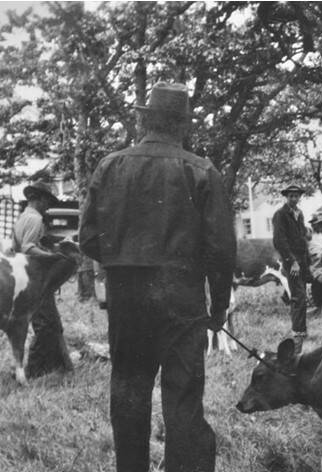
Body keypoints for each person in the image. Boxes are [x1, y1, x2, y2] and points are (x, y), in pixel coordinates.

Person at [79, 82, 236, 472]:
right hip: (181, 299)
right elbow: (221, 251)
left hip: (127, 299)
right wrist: (218, 310)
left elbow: (87, 238)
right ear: (182, 125)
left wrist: (122, 263)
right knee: (183, 398)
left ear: (146, 120)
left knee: (129, 391)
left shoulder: (110, 165)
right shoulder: (202, 171)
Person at [12, 180, 74, 378]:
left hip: (26, 277)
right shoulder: (35, 219)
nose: (49, 205)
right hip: (33, 280)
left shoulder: (24, 217)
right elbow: (28, 247)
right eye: (47, 200)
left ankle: (62, 367)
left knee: (52, 323)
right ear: (38, 198)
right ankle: (32, 371)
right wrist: (53, 256)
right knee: (46, 325)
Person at [272, 184, 310, 354]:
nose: (294, 199)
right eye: (291, 196)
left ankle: (300, 333)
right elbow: (279, 241)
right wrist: (292, 261)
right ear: (286, 197)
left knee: (302, 297)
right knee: (298, 298)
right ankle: (297, 339)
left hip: (302, 260)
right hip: (291, 261)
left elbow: (302, 237)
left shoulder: (299, 214)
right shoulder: (280, 215)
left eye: (297, 196)